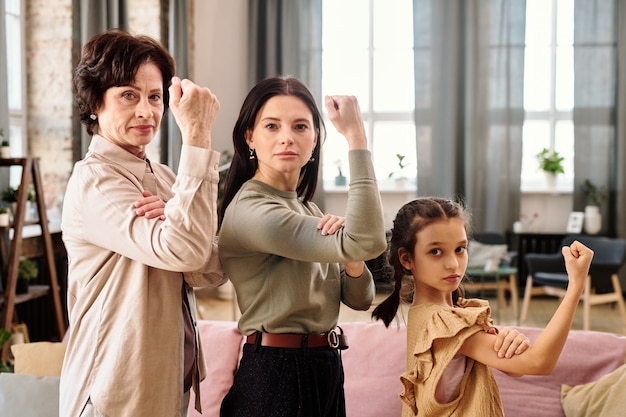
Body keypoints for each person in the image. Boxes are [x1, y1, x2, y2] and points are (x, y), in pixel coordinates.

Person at [60, 29, 225, 417]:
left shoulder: (167, 177)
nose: (146, 111)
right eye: (128, 95)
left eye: (155, 97)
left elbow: (209, 269)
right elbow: (185, 249)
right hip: (115, 394)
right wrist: (198, 136)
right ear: (95, 104)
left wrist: (173, 215)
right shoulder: (95, 181)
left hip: (167, 388)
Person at [217, 76, 388, 417]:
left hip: (323, 366)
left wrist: (351, 259)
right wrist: (356, 137)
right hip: (275, 374)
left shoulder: (308, 210)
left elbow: (360, 298)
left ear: (314, 140)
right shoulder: (253, 210)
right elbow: (368, 240)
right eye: (271, 126)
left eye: (299, 126)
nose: (286, 137)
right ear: (250, 137)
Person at [372, 197, 594, 416]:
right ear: (406, 259)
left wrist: (510, 346)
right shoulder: (441, 322)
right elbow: (539, 363)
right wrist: (576, 285)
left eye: (460, 249)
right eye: (436, 252)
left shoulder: (442, 314)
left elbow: (514, 368)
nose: (453, 264)